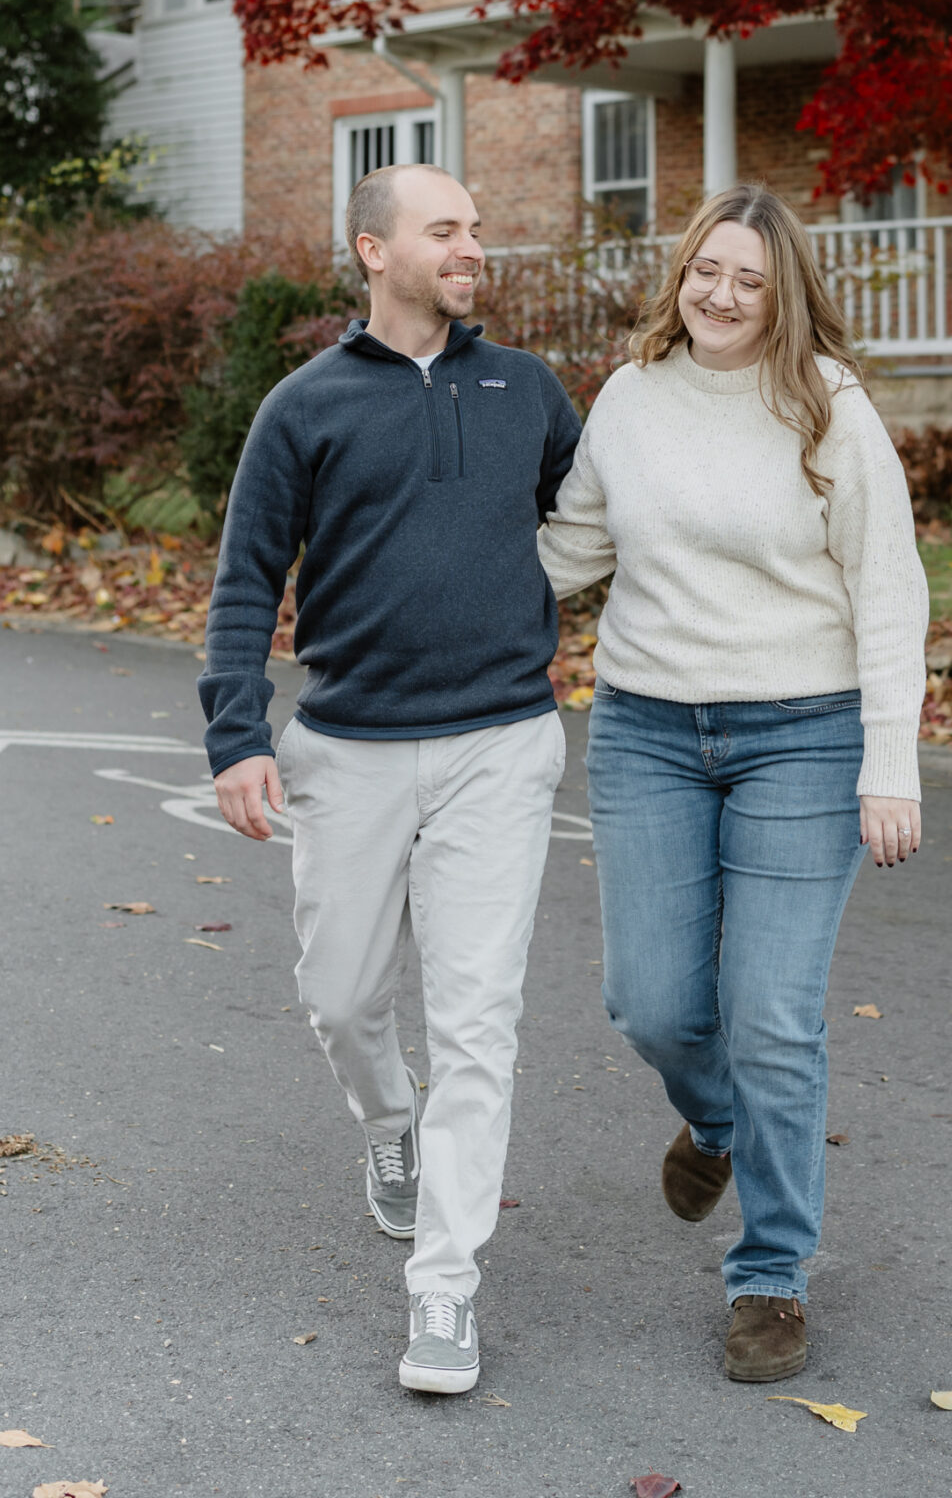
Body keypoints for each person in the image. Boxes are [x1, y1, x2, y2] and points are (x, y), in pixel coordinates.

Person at [537, 182, 927, 1385]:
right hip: (649, 726)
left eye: (749, 279)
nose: (722, 293)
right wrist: (417, 591)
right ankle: (713, 1119)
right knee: (650, 1003)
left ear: (783, 292)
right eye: (708, 270)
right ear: (682, 274)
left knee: (771, 1013)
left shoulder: (831, 409)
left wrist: (889, 759)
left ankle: (770, 1275)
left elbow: (888, 588)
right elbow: (573, 548)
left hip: (802, 736)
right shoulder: (634, 399)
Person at [200, 163, 579, 1397]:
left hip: (500, 745)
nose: (474, 245)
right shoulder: (303, 407)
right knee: (343, 995)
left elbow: (594, 525)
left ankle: (445, 1292)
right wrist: (237, 736)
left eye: (477, 224)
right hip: (349, 747)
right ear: (373, 249)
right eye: (447, 229)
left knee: (479, 1024)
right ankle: (387, 1128)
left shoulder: (525, 389)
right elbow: (245, 581)